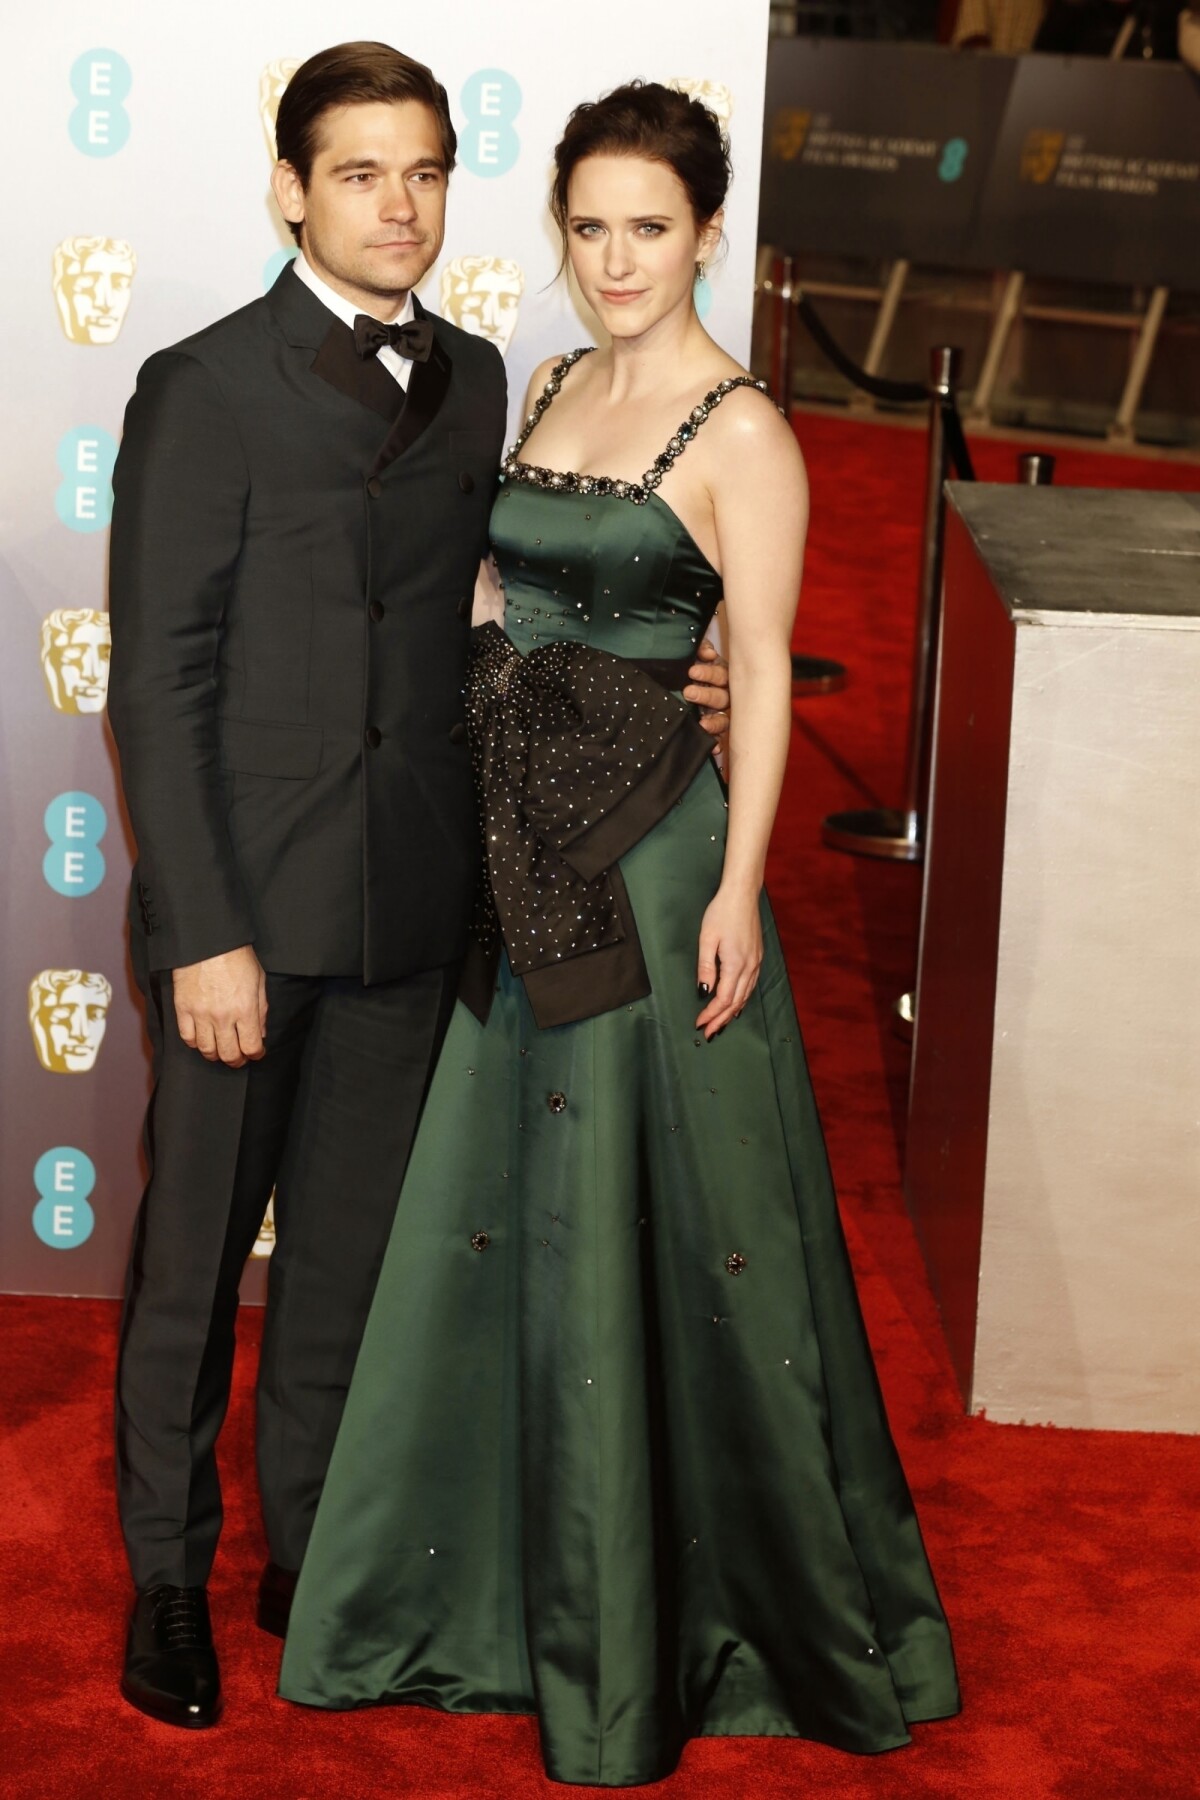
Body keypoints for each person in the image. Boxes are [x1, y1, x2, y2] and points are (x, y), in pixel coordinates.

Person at [280, 81, 961, 1788]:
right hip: (523, 857)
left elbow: (770, 678)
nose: (615, 260)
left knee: (669, 1237)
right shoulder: (558, 379)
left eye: (648, 227)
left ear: (710, 233)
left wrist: (739, 893)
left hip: (658, 876)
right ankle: (490, 1604)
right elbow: (509, 591)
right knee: (503, 1221)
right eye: (588, 227)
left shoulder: (746, 435)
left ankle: (664, 1622)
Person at [105, 39, 737, 1732]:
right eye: (362, 173)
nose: (400, 205)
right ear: (292, 190)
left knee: (351, 1269)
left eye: (426, 172)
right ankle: (168, 1574)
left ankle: (311, 1558)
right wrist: (208, 930)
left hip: (413, 905)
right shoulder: (205, 383)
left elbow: (512, 619)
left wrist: (666, 683)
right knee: (191, 1264)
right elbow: (158, 678)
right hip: (247, 913)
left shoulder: (480, 381)